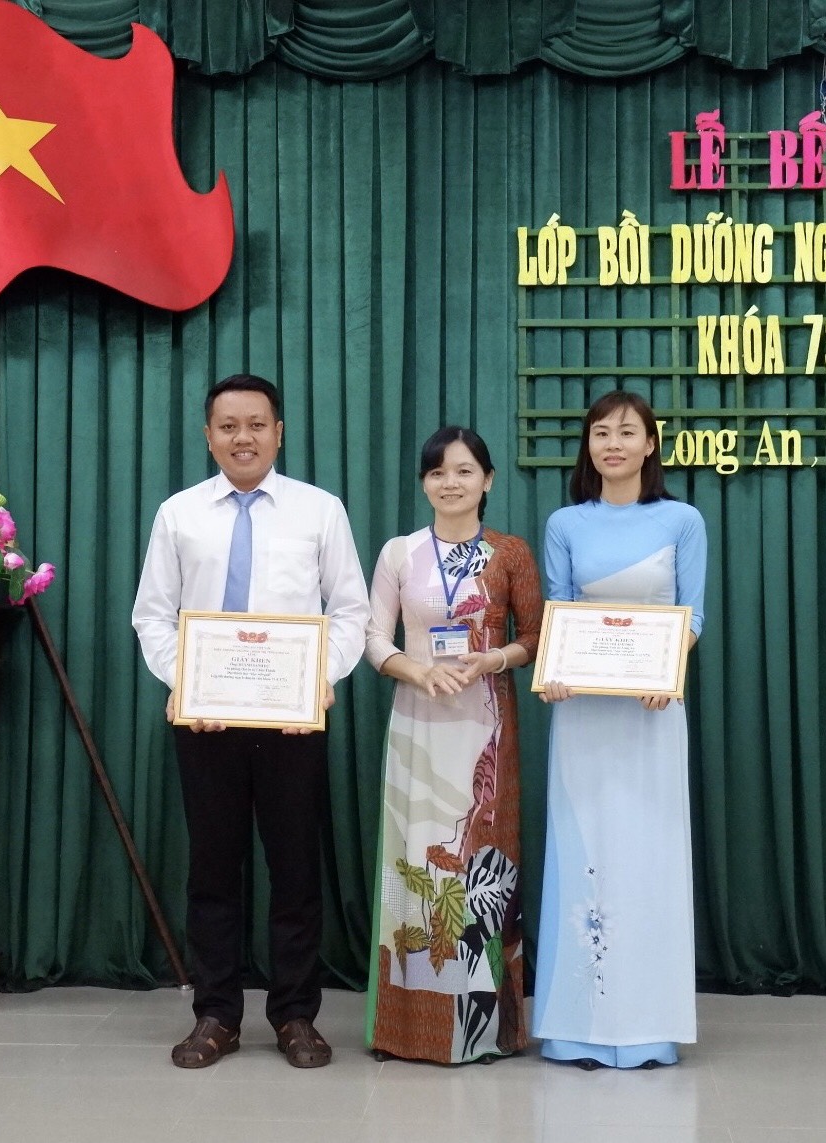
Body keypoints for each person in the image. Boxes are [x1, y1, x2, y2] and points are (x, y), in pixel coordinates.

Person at [131, 374, 369, 1070]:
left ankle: (295, 1015)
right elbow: (153, 614)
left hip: (295, 721)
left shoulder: (320, 510)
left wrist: (320, 681)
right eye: (229, 426)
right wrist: (185, 683)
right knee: (213, 869)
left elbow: (350, 611)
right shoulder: (178, 513)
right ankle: (216, 1014)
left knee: (295, 868)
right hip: (204, 721)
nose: (244, 437)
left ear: (279, 432)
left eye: (257, 424)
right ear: (209, 436)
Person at [531, 390, 708, 1070]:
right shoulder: (565, 523)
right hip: (581, 714)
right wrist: (556, 671)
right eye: (601, 432)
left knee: (648, 855)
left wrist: (664, 671)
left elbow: (692, 616)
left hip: (651, 712)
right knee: (583, 855)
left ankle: (649, 1024)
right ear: (589, 445)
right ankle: (575, 1024)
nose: (613, 443)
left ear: (650, 444)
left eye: (627, 432)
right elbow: (558, 611)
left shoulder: (683, 520)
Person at [363, 427, 542, 1064]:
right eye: (438, 472)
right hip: (417, 723)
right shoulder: (399, 553)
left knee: (480, 865)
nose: (451, 483)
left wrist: (492, 658)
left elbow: (537, 638)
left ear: (488, 480)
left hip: (486, 729)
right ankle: (403, 1029)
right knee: (413, 858)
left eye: (465, 471)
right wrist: (418, 672)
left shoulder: (510, 553)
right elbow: (373, 638)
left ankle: (484, 1031)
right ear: (423, 483)